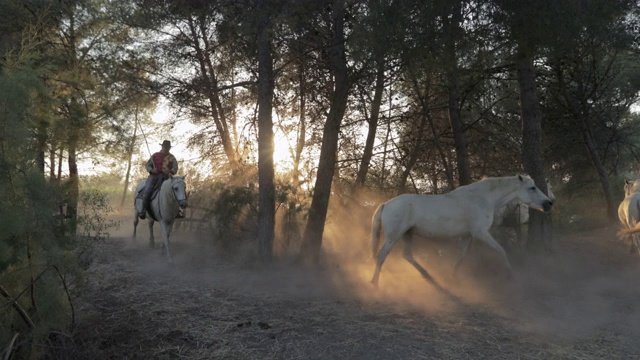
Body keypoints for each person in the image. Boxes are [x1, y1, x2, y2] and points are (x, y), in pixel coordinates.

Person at [138, 140, 179, 219]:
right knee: (148, 190)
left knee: (175, 191)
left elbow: (175, 167)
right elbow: (148, 165)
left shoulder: (172, 157)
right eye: (165, 147)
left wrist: (170, 171)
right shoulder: (155, 155)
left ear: (169, 148)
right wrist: (152, 170)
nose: (166, 149)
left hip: (166, 177)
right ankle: (143, 210)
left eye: (167, 148)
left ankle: (177, 211)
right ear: (162, 147)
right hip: (154, 177)